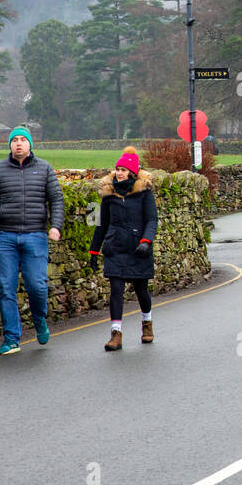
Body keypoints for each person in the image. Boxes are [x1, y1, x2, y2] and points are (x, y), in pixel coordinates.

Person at [0, 127, 64, 356]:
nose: (19, 143)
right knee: (6, 288)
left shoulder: (44, 168)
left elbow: (56, 199)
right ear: (10, 145)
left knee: (37, 285)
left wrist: (55, 226)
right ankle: (12, 339)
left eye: (23, 139)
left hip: (35, 236)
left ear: (30, 144)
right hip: (4, 236)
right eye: (14, 140)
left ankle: (39, 319)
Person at [87, 148, 159, 351]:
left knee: (141, 290)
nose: (119, 173)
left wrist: (146, 241)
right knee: (116, 290)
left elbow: (152, 219)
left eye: (124, 170)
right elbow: (102, 224)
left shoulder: (145, 193)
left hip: (138, 248)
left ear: (132, 173)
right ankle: (116, 334)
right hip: (115, 248)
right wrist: (94, 251)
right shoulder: (109, 195)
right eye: (117, 169)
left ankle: (147, 324)